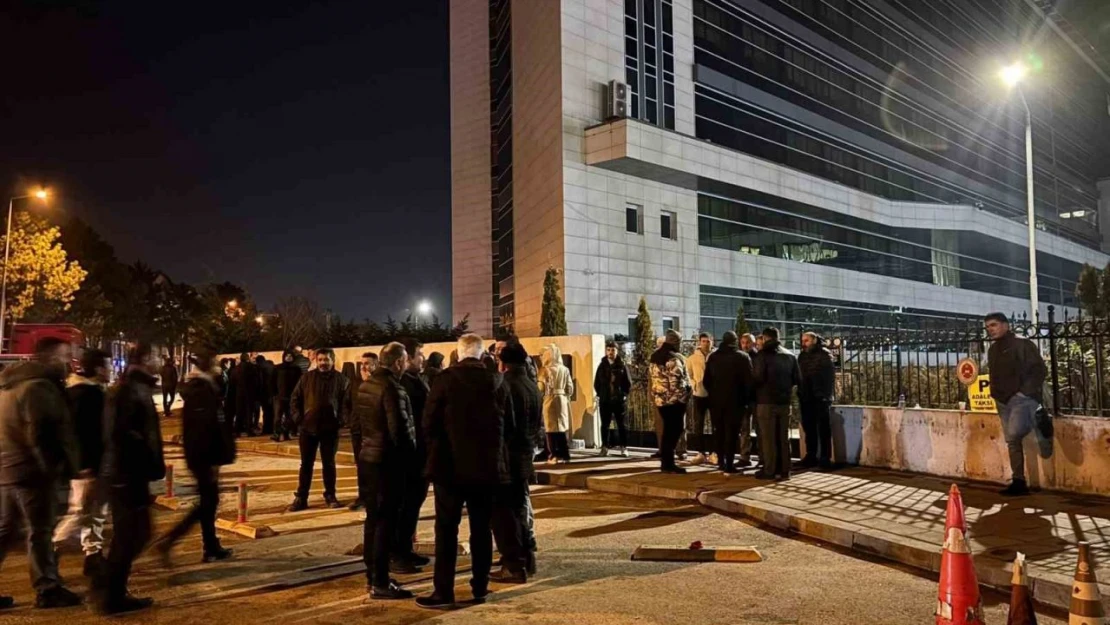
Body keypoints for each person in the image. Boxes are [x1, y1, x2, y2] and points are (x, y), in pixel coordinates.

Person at [417, 334, 513, 610]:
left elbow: (428, 422)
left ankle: (443, 591)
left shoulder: (445, 380)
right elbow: (510, 424)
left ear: (458, 354)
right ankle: (480, 585)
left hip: (449, 468)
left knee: (446, 530)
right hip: (486, 468)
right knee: (481, 529)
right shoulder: (496, 382)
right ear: (482, 356)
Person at [0, 338, 82, 610]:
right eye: (63, 356)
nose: (68, 362)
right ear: (47, 358)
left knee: (6, 530)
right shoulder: (39, 388)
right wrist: (54, 470)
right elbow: (42, 434)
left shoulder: (8, 386)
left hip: (8, 470)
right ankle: (48, 589)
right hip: (32, 472)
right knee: (40, 532)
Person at [97, 342, 165, 614]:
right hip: (126, 474)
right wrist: (139, 465)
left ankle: (111, 589)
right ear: (147, 359)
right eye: (158, 356)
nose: (161, 360)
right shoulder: (128, 390)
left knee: (134, 534)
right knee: (131, 536)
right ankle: (109, 594)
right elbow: (121, 434)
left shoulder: (138, 387)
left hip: (130, 473)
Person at [157, 351, 234, 565]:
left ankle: (210, 546)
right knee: (206, 503)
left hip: (205, 458)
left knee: (208, 503)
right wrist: (212, 461)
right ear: (208, 365)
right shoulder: (201, 390)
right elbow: (202, 430)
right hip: (204, 459)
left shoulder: (205, 387)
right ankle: (172, 541)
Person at [355, 342, 417, 600]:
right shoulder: (393, 388)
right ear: (399, 362)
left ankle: (373, 574)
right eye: (405, 361)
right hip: (388, 464)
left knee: (373, 520)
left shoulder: (367, 384)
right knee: (385, 523)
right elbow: (400, 431)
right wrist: (411, 460)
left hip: (369, 458)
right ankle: (380, 582)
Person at [54, 348, 111, 579]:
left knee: (96, 512)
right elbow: (80, 434)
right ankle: (52, 549)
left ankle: (93, 556)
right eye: (106, 366)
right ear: (98, 368)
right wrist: (84, 465)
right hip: (87, 466)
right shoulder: (84, 395)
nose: (109, 370)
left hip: (94, 464)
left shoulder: (90, 392)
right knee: (80, 511)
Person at [491, 341, 542, 583]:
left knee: (506, 514)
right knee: (521, 508)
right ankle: (527, 557)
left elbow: (503, 427)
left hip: (508, 458)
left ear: (503, 362)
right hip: (524, 455)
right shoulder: (531, 385)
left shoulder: (506, 386)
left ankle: (514, 564)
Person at [985, 312, 1048, 496]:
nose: (990, 329)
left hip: (1020, 399)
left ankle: (1038, 425)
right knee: (1011, 441)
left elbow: (1039, 370)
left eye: (994, 325)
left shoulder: (1022, 344)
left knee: (1013, 435)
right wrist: (994, 393)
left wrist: (1023, 393)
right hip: (1002, 400)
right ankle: (1019, 481)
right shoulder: (993, 349)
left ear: (1006, 325)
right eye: (988, 327)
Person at [288, 348, 351, 511]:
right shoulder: (306, 378)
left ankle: (330, 495)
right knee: (306, 465)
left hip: (330, 429)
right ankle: (301, 497)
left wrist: (342, 420)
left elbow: (346, 403)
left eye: (326, 360)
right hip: (308, 429)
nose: (323, 363)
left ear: (332, 360)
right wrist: (298, 419)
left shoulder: (342, 380)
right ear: (316, 360)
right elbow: (295, 399)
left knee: (329, 464)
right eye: (320, 359)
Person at [396, 338, 431, 566]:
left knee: (412, 506)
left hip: (420, 453)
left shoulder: (415, 380)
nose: (422, 359)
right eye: (419, 354)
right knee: (405, 506)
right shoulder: (405, 385)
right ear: (406, 359)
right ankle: (399, 553)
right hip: (411, 456)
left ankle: (406, 548)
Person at [752, 328, 801, 481]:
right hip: (784, 401)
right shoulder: (790, 355)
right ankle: (785, 469)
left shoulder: (762, 355)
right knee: (783, 436)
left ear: (765, 338)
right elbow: (797, 379)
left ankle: (770, 470)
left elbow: (758, 378)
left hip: (766, 401)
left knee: (768, 438)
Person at [703, 332, 754, 473]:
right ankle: (730, 464)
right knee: (732, 434)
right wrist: (745, 399)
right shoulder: (742, 357)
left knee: (719, 431)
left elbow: (706, 381)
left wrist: (714, 394)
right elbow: (749, 381)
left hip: (716, 402)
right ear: (735, 341)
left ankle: (721, 461)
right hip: (736, 402)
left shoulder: (713, 357)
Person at [650, 329, 692, 474]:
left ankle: (666, 462)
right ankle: (668, 463)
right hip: (674, 401)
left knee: (668, 430)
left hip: (660, 400)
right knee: (675, 429)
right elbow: (677, 382)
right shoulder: (674, 358)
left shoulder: (655, 356)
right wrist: (685, 396)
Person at [798, 332, 836, 470]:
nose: (804, 343)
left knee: (823, 429)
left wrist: (825, 395)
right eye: (803, 340)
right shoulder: (803, 356)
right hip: (806, 396)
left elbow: (829, 378)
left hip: (820, 398)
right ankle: (811, 455)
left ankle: (825, 458)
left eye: (806, 340)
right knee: (809, 428)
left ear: (814, 340)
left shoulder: (824, 355)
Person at [348, 352, 378, 512]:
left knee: (374, 466)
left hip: (374, 431)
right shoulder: (354, 382)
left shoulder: (380, 383)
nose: (364, 367)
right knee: (360, 466)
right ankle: (362, 496)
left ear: (375, 365)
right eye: (362, 364)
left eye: (367, 363)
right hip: (358, 429)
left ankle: (374, 496)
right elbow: (347, 402)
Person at [594, 341, 632, 457]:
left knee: (622, 424)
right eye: (609, 350)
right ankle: (605, 447)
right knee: (604, 424)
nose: (611, 352)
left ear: (617, 351)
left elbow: (628, 382)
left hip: (619, 400)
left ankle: (623, 447)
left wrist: (624, 394)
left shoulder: (622, 365)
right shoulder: (602, 365)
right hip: (606, 400)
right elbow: (597, 383)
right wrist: (601, 394)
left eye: (613, 350)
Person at [539, 344, 573, 464]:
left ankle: (553, 455)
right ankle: (565, 454)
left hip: (549, 399)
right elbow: (570, 387)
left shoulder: (545, 370)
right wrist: (565, 396)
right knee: (561, 428)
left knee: (550, 428)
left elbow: (541, 387)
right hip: (562, 399)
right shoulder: (565, 369)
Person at [686, 333, 713, 464]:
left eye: (708, 341)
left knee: (715, 424)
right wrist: (694, 385)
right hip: (699, 393)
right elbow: (689, 374)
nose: (706, 344)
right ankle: (700, 452)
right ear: (699, 342)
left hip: (714, 394)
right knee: (699, 424)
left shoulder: (715, 356)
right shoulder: (692, 358)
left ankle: (714, 452)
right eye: (704, 341)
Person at [272, 350, 303, 441]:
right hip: (279, 396)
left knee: (290, 417)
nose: (288, 357)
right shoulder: (278, 368)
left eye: (290, 356)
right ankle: (277, 434)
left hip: (292, 397)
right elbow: (272, 381)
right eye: (287, 356)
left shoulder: (296, 369)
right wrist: (274, 393)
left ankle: (286, 433)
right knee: (277, 417)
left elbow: (299, 383)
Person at [229, 352, 260, 436]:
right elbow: (256, 381)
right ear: (247, 358)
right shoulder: (252, 368)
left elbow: (232, 382)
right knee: (249, 412)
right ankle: (249, 430)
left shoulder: (235, 369)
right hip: (250, 393)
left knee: (239, 412)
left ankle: (237, 431)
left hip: (238, 393)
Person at [256, 356, 276, 435]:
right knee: (271, 411)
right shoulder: (272, 367)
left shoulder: (260, 368)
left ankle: (266, 429)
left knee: (266, 411)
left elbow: (260, 382)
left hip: (264, 393)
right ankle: (272, 428)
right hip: (272, 392)